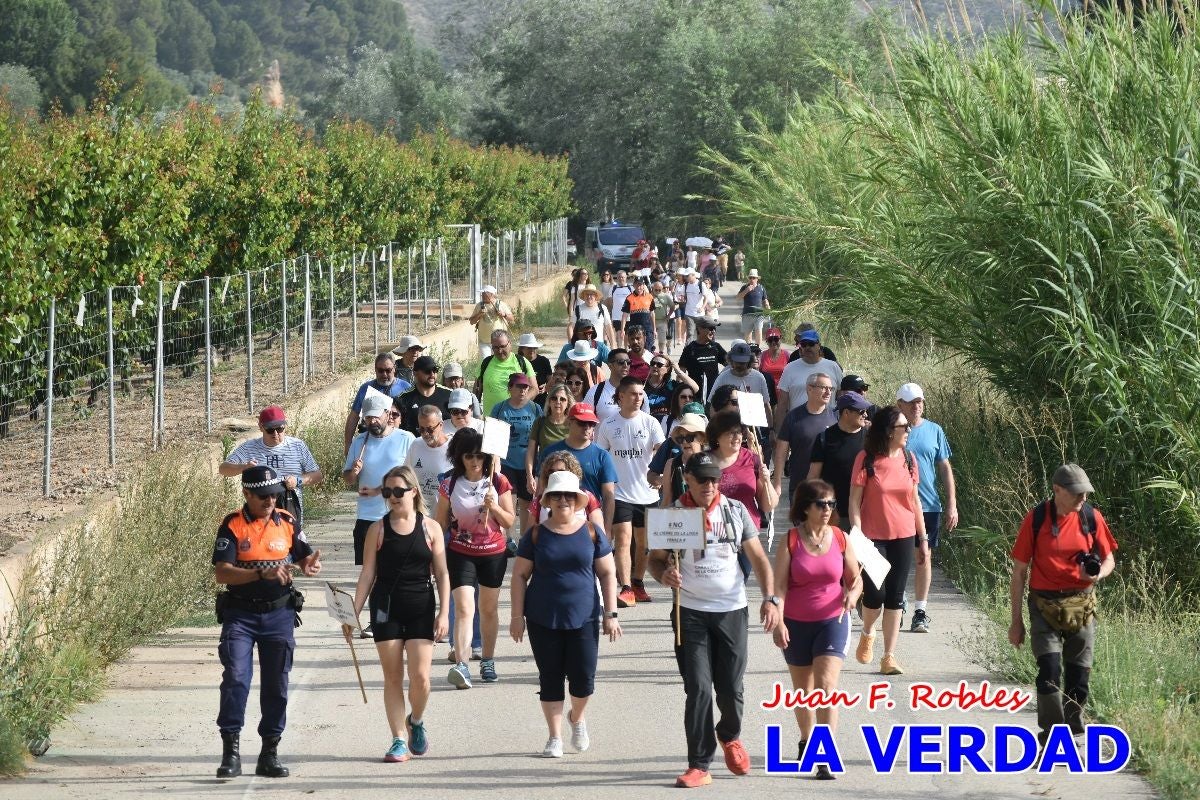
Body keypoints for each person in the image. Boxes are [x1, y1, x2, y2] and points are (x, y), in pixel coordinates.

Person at [648, 453, 782, 789]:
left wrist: (770, 599)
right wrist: (664, 575)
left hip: (732, 611)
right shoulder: (673, 515)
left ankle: (730, 734)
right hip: (689, 612)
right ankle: (699, 763)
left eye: (714, 479)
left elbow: (759, 560)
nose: (709, 485)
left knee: (731, 688)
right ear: (688, 479)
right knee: (697, 688)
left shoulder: (735, 512)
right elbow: (653, 560)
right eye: (702, 479)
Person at [212, 466, 322, 779]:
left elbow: (303, 555)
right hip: (241, 615)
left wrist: (309, 564)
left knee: (277, 684)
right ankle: (230, 753)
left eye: (274, 495)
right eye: (263, 496)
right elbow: (222, 572)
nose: (270, 501)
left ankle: (269, 753)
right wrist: (260, 573)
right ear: (246, 494)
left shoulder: (287, 521)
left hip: (279, 615)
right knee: (236, 676)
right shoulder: (232, 525)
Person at [510, 471, 622, 758]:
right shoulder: (535, 534)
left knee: (584, 679)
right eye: (557, 495)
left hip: (584, 615)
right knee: (550, 677)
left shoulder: (591, 532)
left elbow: (608, 572)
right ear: (548, 500)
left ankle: (577, 717)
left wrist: (611, 613)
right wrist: (516, 616)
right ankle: (555, 736)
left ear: (577, 500)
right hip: (542, 616)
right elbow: (520, 576)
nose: (563, 500)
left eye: (569, 496)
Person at [343, 465, 450, 763]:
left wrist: (444, 614)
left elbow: (441, 573)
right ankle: (398, 740)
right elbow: (367, 574)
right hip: (385, 608)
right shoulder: (377, 530)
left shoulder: (430, 528)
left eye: (398, 491)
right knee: (392, 677)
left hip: (420, 606)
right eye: (387, 491)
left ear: (413, 491)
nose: (392, 497)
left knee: (421, 678)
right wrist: (353, 613)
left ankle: (415, 720)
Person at [1008, 464, 1117, 746]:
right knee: (1049, 670)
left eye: (1085, 494)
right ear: (1057, 490)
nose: (1082, 499)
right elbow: (1019, 571)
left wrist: (1096, 574)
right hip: (1044, 605)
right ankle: (1052, 733)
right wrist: (1016, 621)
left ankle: (1073, 717)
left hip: (1082, 604)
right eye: (1076, 494)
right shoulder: (1036, 519)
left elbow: (1109, 560)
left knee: (1079, 673)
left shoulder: (1091, 517)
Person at [771, 479, 861, 779]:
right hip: (796, 623)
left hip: (832, 621)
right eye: (821, 504)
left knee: (826, 687)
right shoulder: (790, 541)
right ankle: (806, 739)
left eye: (831, 504)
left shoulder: (840, 537)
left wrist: (853, 594)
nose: (827, 510)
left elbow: (855, 578)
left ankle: (825, 753)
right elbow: (779, 587)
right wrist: (779, 621)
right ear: (805, 507)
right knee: (803, 691)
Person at [434, 428, 516, 688]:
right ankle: (462, 664)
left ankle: (488, 660)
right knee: (463, 609)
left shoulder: (499, 482)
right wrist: (433, 554)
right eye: (468, 455)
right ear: (458, 456)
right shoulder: (449, 484)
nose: (474, 461)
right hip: (460, 553)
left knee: (488, 609)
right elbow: (440, 522)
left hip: (493, 553)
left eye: (479, 455)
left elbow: (510, 521)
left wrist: (495, 507)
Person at [848, 405, 927, 676]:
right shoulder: (866, 458)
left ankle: (889, 657)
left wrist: (923, 539)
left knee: (895, 598)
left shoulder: (909, 458)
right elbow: (854, 502)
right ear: (888, 431)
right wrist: (857, 535)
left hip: (903, 535)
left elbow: (915, 501)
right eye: (902, 427)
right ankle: (868, 632)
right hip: (872, 537)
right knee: (875, 594)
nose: (908, 431)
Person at [596, 376, 665, 608]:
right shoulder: (608, 425)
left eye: (641, 394)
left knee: (644, 543)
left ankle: (637, 582)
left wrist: (662, 476)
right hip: (620, 493)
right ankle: (625, 588)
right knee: (623, 539)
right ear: (621, 397)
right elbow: (601, 458)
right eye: (634, 394)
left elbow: (662, 453)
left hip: (648, 493)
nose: (638, 398)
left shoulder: (651, 423)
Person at [896, 383, 959, 634]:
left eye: (919, 401)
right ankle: (897, 601)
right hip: (897, 506)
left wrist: (952, 504)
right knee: (897, 558)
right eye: (911, 402)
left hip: (929, 505)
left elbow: (944, 467)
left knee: (924, 556)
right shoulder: (892, 431)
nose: (916, 406)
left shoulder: (935, 430)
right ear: (899, 404)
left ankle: (920, 611)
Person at [342, 392, 416, 567]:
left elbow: (415, 478)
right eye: (368, 418)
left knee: (397, 570)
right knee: (369, 571)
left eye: (376, 417)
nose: (372, 422)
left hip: (398, 515)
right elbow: (348, 479)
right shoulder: (359, 442)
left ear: (388, 414)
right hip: (367, 517)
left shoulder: (406, 439)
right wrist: (353, 471)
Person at [219, 405, 323, 528]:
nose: (275, 433)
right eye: (270, 429)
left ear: (285, 425)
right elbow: (223, 469)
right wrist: (243, 468)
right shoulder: (249, 447)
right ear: (261, 427)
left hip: (290, 511)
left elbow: (317, 475)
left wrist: (297, 480)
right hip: (259, 515)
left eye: (280, 428)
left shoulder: (298, 446)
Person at [708, 410, 778, 578]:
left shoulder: (752, 459)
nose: (737, 437)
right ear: (717, 437)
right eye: (730, 433)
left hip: (746, 533)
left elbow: (768, 504)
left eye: (739, 432)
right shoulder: (703, 461)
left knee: (739, 581)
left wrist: (766, 480)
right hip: (713, 534)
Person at [538, 403, 617, 531]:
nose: (587, 427)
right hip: (554, 519)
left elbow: (608, 496)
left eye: (591, 424)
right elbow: (541, 490)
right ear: (569, 422)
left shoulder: (602, 456)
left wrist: (606, 530)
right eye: (582, 423)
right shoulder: (550, 452)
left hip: (590, 520)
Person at [806, 392, 871, 527]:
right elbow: (813, 476)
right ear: (846, 412)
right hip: (832, 514)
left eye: (866, 411)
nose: (865, 415)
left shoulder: (871, 439)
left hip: (865, 514)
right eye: (861, 411)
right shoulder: (824, 438)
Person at [773, 373, 838, 506]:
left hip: (828, 489)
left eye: (831, 389)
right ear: (809, 388)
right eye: (824, 388)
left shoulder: (835, 417)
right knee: (801, 526)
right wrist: (777, 483)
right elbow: (781, 453)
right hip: (800, 486)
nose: (828, 392)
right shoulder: (793, 417)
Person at [491, 372, 543, 535]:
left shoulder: (535, 408)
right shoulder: (500, 409)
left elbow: (541, 436)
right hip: (506, 463)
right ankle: (509, 540)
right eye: (519, 387)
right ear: (510, 388)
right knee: (508, 503)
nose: (522, 391)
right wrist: (495, 463)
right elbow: (492, 438)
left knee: (527, 504)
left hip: (528, 464)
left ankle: (524, 539)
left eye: (525, 387)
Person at [344, 353, 411, 454]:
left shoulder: (405, 387)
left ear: (394, 368)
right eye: (380, 371)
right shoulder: (365, 389)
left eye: (388, 370)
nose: (384, 374)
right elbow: (354, 416)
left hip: (397, 441)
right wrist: (348, 443)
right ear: (375, 370)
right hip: (371, 439)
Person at [775, 330, 843, 427]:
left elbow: (841, 397)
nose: (807, 347)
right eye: (803, 344)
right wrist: (778, 432)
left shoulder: (833, 367)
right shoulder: (790, 368)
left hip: (828, 427)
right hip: (798, 426)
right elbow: (782, 404)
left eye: (811, 344)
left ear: (819, 345)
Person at [528, 450, 606, 528]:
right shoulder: (539, 502)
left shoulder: (588, 497)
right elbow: (529, 537)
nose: (555, 475)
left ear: (572, 472)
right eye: (551, 472)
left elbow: (599, 534)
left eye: (561, 471)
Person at [526, 384, 572, 497]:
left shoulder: (573, 424)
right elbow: (531, 452)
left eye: (562, 399)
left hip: (567, 478)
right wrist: (530, 476)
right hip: (543, 477)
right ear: (549, 401)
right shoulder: (540, 422)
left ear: (568, 403)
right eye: (554, 398)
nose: (558, 402)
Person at [654, 412, 710, 507]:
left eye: (689, 437)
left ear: (702, 439)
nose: (684, 442)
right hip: (679, 520)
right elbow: (667, 500)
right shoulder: (671, 464)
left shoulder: (712, 463)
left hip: (706, 518)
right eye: (680, 438)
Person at [405, 406, 454, 513]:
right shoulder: (416, 445)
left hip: (443, 516)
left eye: (430, 429)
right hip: (418, 514)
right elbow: (406, 477)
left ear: (441, 425)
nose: (425, 434)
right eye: (421, 429)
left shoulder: (454, 448)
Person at [477, 330, 537, 415]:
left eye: (502, 346)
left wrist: (520, 403)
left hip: (515, 417)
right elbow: (477, 388)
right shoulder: (485, 363)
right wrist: (476, 411)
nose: (500, 351)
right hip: (491, 419)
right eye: (495, 347)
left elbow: (534, 389)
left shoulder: (521, 362)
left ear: (510, 343)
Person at [711, 343, 772, 421]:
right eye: (737, 362)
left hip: (753, 427)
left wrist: (771, 429)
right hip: (729, 427)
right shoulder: (723, 377)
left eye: (743, 362)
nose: (739, 365)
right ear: (731, 360)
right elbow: (713, 405)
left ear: (750, 361)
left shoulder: (759, 377)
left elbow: (766, 405)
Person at [588, 349, 650, 424]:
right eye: (621, 362)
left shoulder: (640, 392)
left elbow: (646, 422)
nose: (625, 365)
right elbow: (585, 422)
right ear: (610, 366)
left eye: (628, 362)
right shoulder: (595, 392)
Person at [393, 356, 452, 435]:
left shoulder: (449, 395)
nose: (432, 374)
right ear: (415, 373)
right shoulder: (404, 398)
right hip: (415, 445)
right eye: (427, 371)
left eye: (435, 370)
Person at [678, 316, 727, 401]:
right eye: (711, 328)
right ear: (700, 329)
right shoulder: (690, 349)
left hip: (713, 394)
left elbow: (730, 364)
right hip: (695, 395)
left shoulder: (716, 347)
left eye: (714, 328)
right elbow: (681, 373)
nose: (713, 331)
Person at [644, 354, 698, 426]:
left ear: (667, 369)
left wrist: (678, 371)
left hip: (667, 424)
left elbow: (695, 389)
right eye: (653, 363)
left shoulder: (672, 385)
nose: (655, 366)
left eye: (659, 365)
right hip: (647, 424)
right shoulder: (642, 385)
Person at [469, 285, 515, 358]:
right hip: (484, 341)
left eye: (485, 294)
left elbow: (512, 318)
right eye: (482, 294)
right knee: (486, 361)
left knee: (499, 360)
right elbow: (472, 322)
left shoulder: (501, 304)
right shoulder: (479, 305)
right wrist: (479, 314)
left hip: (499, 342)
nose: (482, 296)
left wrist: (503, 314)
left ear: (492, 294)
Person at [736, 270, 771, 346]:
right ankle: (749, 350)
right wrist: (746, 290)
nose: (752, 279)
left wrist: (767, 306)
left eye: (754, 278)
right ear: (748, 279)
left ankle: (758, 349)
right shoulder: (745, 287)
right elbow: (738, 297)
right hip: (747, 314)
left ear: (757, 279)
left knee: (758, 331)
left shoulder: (761, 288)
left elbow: (765, 299)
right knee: (747, 334)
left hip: (759, 314)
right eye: (750, 278)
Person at [622, 281, 657, 352]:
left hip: (647, 329)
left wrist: (654, 329)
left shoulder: (650, 297)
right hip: (635, 329)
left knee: (648, 349)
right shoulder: (629, 298)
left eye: (640, 285)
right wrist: (622, 329)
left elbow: (652, 314)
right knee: (637, 349)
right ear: (634, 285)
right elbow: (624, 315)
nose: (639, 287)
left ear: (643, 285)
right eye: (637, 285)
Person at [652, 281, 677, 354]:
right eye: (656, 290)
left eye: (659, 290)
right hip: (651, 321)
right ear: (653, 288)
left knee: (662, 339)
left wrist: (669, 315)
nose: (658, 291)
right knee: (651, 339)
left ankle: (661, 353)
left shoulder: (665, 296)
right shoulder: (649, 296)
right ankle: (651, 353)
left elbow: (672, 306)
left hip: (662, 321)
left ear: (662, 289)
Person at [610, 270, 633, 345]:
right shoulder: (613, 288)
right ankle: (620, 349)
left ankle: (626, 350)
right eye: (619, 277)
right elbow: (610, 302)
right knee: (619, 334)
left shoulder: (631, 288)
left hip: (629, 317)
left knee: (627, 335)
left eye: (623, 277)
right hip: (616, 316)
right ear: (617, 278)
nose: (621, 279)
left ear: (626, 277)